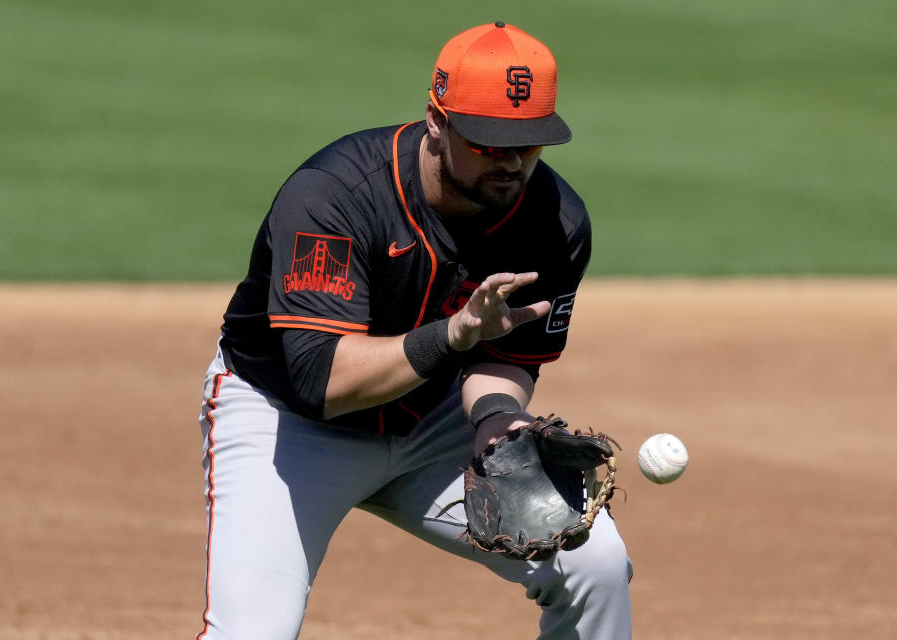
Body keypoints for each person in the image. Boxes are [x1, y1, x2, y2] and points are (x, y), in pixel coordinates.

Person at [197, 21, 633, 639]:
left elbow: (510, 354)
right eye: (489, 143)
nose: (511, 163)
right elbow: (322, 379)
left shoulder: (555, 221)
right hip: (289, 424)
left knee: (597, 567)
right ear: (437, 120)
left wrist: (495, 419)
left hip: (433, 423)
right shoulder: (336, 196)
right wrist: (452, 337)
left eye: (529, 144)